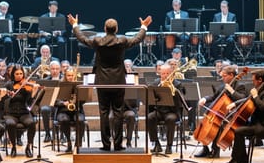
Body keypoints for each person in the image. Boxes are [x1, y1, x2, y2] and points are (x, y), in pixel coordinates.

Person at [70, 12, 152, 151]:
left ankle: (106, 145)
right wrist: (143, 27)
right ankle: (118, 144)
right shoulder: (122, 41)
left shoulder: (98, 41)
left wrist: (75, 25)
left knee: (103, 113)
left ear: (105, 28)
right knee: (118, 112)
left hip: (102, 82)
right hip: (118, 81)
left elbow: (82, 39)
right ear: (116, 29)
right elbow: (137, 39)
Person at [227, 70, 264, 163]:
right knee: (237, 127)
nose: (252, 82)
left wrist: (255, 96)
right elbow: (247, 99)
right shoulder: (259, 90)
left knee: (238, 131)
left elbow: (263, 107)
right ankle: (241, 158)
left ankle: (238, 159)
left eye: (253, 80)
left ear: (260, 80)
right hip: (257, 123)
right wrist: (235, 104)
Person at [195, 65, 247, 158]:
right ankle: (205, 148)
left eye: (224, 76)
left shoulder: (240, 86)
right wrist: (205, 99)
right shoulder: (222, 86)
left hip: (232, 114)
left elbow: (242, 99)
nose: (222, 78)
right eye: (222, 76)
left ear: (231, 75)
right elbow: (214, 97)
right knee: (204, 123)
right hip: (221, 113)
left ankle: (215, 150)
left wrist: (231, 91)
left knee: (219, 125)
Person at [148, 63, 185, 154]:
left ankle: (169, 145)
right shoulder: (156, 83)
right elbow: (150, 99)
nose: (165, 76)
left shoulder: (177, 84)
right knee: (150, 117)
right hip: (159, 110)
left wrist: (174, 91)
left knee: (170, 119)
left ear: (171, 73)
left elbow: (180, 102)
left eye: (167, 73)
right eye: (163, 73)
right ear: (160, 73)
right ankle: (156, 144)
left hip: (172, 111)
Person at [3, 63, 40, 157]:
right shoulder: (8, 85)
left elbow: (30, 102)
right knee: (10, 124)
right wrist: (8, 96)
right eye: (17, 74)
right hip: (11, 113)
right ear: (13, 74)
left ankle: (28, 146)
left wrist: (33, 92)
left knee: (31, 123)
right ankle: (13, 146)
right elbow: (3, 100)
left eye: (21, 74)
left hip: (24, 112)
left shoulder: (26, 85)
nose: (19, 76)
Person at [54, 68, 86, 153]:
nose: (70, 77)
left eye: (72, 75)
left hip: (77, 110)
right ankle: (68, 142)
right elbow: (54, 101)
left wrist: (78, 99)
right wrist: (63, 103)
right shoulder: (60, 85)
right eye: (68, 75)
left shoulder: (79, 86)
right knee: (64, 120)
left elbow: (84, 100)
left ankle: (77, 143)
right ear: (65, 76)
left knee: (81, 120)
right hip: (63, 111)